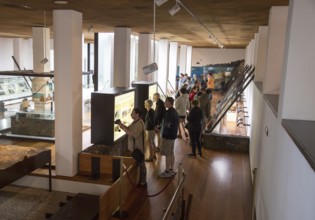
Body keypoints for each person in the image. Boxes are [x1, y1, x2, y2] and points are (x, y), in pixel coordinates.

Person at [117, 108, 147, 186]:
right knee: (137, 165)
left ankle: (143, 181)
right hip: (135, 148)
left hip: (139, 148)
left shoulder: (139, 124)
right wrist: (120, 124)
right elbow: (128, 129)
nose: (131, 114)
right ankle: (138, 180)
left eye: (133, 113)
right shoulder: (135, 122)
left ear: (137, 114)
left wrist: (122, 127)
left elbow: (132, 134)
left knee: (141, 165)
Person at [159, 97, 179, 178]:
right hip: (173, 136)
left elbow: (168, 125)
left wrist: (164, 135)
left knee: (167, 154)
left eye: (166, 102)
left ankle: (167, 171)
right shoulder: (174, 111)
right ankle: (171, 170)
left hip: (168, 136)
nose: (164, 103)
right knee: (171, 152)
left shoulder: (169, 113)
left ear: (169, 103)